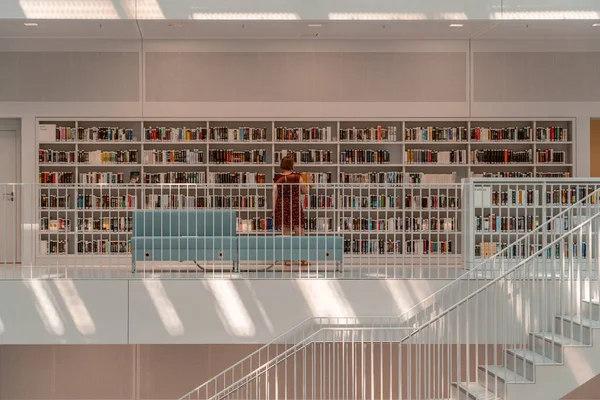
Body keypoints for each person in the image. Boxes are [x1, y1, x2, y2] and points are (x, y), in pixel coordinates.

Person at [273, 156, 310, 268]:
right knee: (300, 232)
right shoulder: (297, 176)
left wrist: (275, 210)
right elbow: (305, 190)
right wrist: (309, 183)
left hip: (282, 204)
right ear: (292, 165)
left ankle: (287, 259)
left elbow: (275, 194)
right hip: (294, 204)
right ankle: (302, 259)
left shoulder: (277, 178)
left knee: (286, 233)